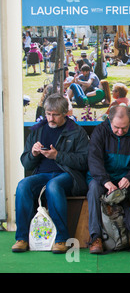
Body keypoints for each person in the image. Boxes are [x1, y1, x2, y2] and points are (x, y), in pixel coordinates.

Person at [12, 94, 89, 253]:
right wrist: (33, 154)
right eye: (48, 114)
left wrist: (57, 156)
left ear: (65, 113)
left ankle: (62, 239)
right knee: (22, 185)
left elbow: (85, 161)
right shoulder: (36, 130)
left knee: (53, 185)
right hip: (42, 174)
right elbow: (25, 163)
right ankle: (22, 238)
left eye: (55, 115)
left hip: (68, 175)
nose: (50, 118)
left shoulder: (76, 132)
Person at [87, 105, 130, 254]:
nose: (120, 132)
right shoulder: (100, 131)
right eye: (116, 128)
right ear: (109, 120)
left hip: (127, 178)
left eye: (124, 128)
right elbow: (94, 160)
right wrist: (105, 181)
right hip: (102, 178)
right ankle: (96, 237)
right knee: (94, 189)